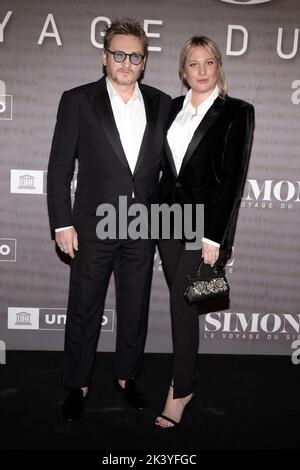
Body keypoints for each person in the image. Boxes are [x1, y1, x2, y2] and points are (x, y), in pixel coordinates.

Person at [47, 18, 171, 420]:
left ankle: (126, 377)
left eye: (135, 56)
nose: (126, 62)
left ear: (144, 61)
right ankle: (77, 384)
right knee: (84, 306)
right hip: (93, 227)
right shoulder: (78, 100)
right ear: (104, 57)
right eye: (119, 54)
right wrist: (62, 223)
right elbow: (59, 168)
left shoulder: (162, 103)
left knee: (135, 308)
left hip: (142, 226)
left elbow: (175, 167)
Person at [156, 36, 255, 428]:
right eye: (193, 64)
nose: (201, 70)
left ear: (218, 68)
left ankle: (180, 391)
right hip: (164, 220)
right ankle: (186, 377)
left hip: (202, 224)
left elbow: (232, 180)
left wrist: (215, 237)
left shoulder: (237, 112)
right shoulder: (171, 108)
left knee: (182, 304)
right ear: (183, 70)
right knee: (184, 304)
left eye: (208, 62)